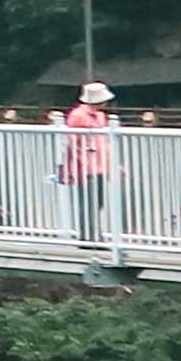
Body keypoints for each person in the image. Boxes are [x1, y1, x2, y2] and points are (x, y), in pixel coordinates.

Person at [58, 80, 118, 241]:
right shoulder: (77, 115)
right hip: (83, 167)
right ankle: (87, 236)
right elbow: (72, 141)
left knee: (98, 201)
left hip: (99, 164)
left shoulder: (100, 116)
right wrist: (81, 162)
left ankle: (94, 233)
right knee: (87, 202)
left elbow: (104, 141)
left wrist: (113, 163)